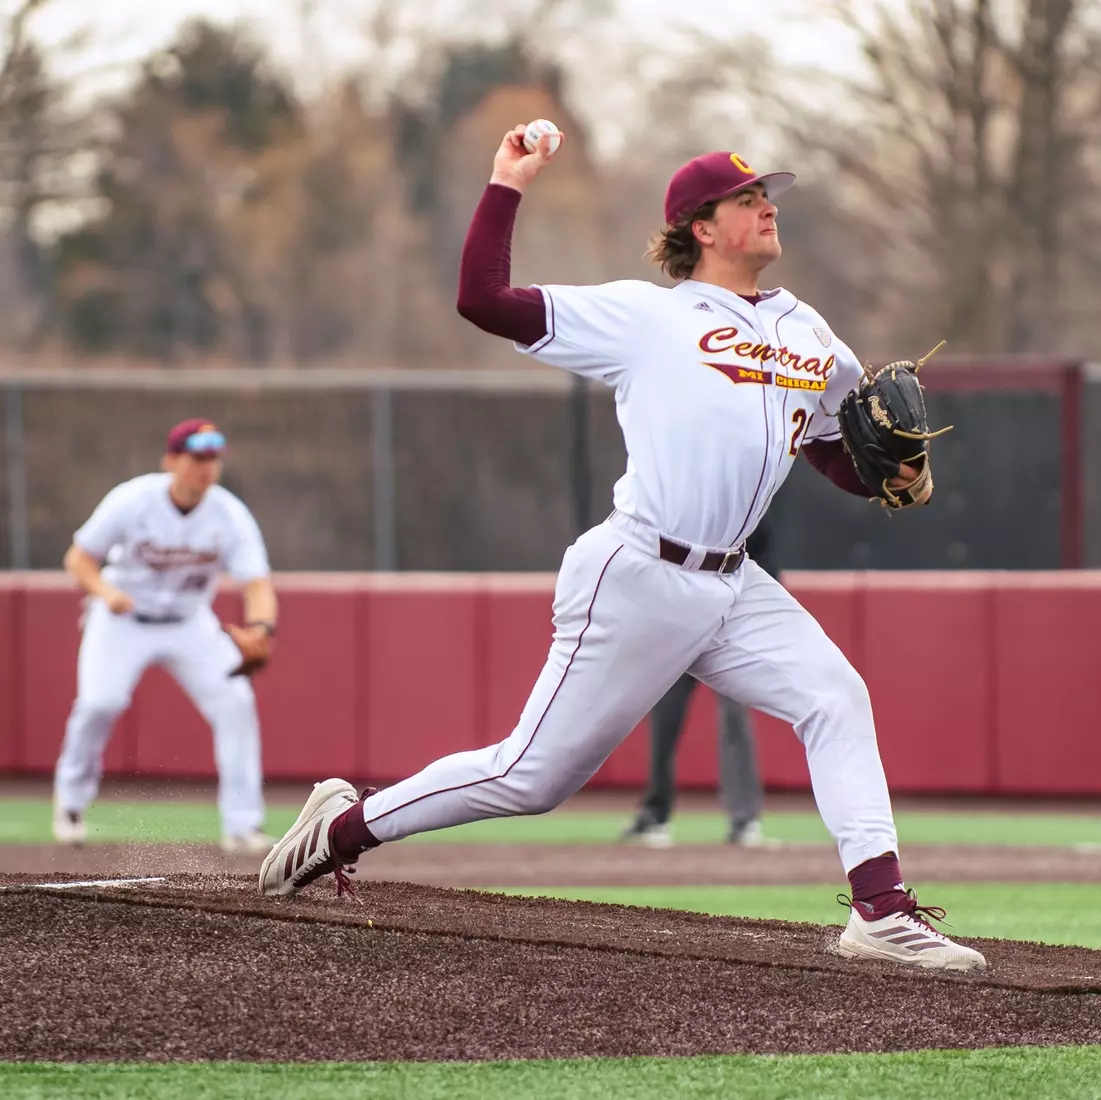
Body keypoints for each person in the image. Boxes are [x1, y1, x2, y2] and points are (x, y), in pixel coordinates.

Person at [259, 130, 985, 972]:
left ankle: (881, 908)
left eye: (767, 195)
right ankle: (343, 826)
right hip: (639, 572)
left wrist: (893, 476)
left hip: (734, 582)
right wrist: (506, 183)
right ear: (701, 227)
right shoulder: (648, 317)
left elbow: (831, 446)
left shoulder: (809, 332)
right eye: (748, 199)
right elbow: (482, 300)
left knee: (835, 695)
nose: (767, 206)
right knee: (531, 779)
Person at [53, 419, 278, 854]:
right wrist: (105, 592)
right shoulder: (133, 499)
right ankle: (71, 805)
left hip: (189, 622)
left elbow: (257, 584)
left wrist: (262, 629)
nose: (206, 467)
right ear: (171, 461)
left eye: (213, 459)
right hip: (122, 619)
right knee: (100, 703)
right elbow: (78, 558)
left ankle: (242, 825)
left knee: (236, 702)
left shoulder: (229, 514)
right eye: (197, 457)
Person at [619, 514, 777, 849]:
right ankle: (655, 813)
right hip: (680, 618)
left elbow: (763, 555)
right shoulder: (677, 501)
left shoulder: (746, 502)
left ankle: (745, 820)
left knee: (735, 719)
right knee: (666, 717)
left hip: (730, 621)